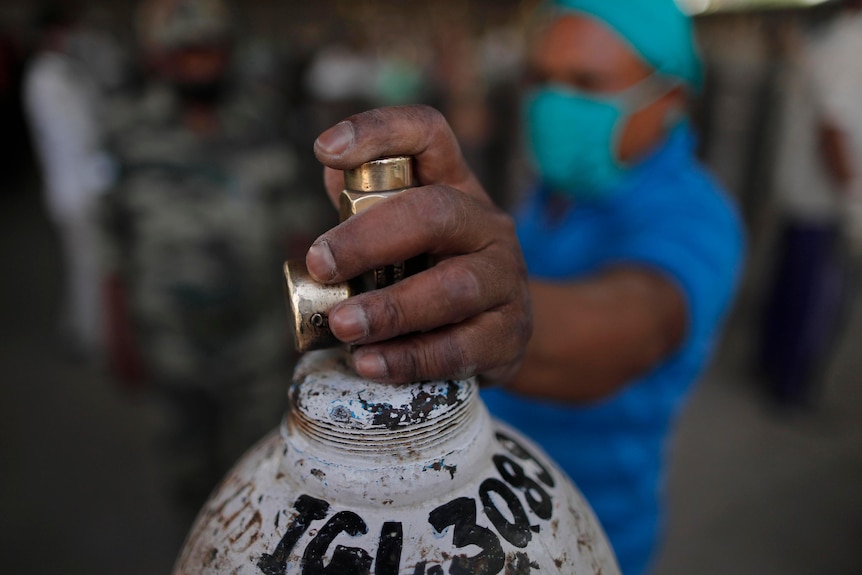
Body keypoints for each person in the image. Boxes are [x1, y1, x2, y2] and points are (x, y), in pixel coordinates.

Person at [307, 1, 744, 574]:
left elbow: (637, 323)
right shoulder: (549, 195)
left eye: (587, 83)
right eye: (542, 79)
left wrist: (509, 310)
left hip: (582, 536)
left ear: (672, 97)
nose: (556, 102)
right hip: (479, 520)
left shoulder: (696, 214)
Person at [101, 0, 331, 523]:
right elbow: (112, 240)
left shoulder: (266, 126)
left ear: (228, 53)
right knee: (187, 486)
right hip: (169, 342)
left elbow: (305, 244)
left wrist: (314, 345)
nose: (199, 63)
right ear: (165, 57)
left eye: (210, 50)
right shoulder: (130, 130)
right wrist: (116, 331)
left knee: (261, 486)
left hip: (255, 345)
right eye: (187, 51)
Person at [759, 0, 862, 406]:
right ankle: (790, 386)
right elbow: (832, 130)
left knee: (792, 287)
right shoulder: (849, 46)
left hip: (804, 192)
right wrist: (853, 197)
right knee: (809, 297)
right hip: (819, 199)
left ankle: (774, 369)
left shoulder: (833, 41)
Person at [22, 3, 118, 362]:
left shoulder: (59, 72)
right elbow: (80, 133)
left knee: (82, 266)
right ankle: (92, 338)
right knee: (90, 267)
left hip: (74, 184)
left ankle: (78, 327)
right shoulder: (48, 78)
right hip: (76, 188)